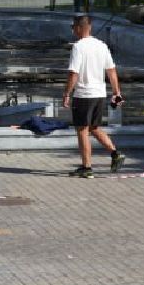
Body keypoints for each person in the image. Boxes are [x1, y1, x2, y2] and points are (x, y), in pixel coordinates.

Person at [60, 14, 126, 178]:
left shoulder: (78, 47)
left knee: (82, 130)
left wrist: (67, 93)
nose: (72, 30)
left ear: (80, 28)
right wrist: (116, 92)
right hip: (99, 94)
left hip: (84, 94)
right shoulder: (102, 46)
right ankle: (115, 153)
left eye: (73, 27)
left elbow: (73, 73)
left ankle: (86, 167)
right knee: (93, 127)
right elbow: (111, 70)